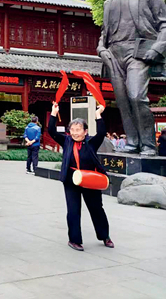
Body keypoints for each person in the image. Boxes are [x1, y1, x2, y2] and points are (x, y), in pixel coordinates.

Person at [97, 0, 166, 156]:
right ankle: (132, 142)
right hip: (113, 53)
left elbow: (164, 24)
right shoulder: (108, 2)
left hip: (138, 51)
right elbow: (104, 32)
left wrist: (157, 48)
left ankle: (149, 145)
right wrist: (101, 48)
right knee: (122, 100)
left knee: (136, 96)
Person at [48, 102, 114, 251]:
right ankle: (74, 240)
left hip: (90, 178)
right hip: (71, 179)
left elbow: (102, 132)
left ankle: (105, 236)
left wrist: (98, 115)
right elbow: (51, 130)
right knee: (73, 210)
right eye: (72, 130)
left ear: (85, 131)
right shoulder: (66, 141)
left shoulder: (91, 142)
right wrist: (53, 113)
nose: (75, 133)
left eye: (78, 130)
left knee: (96, 208)